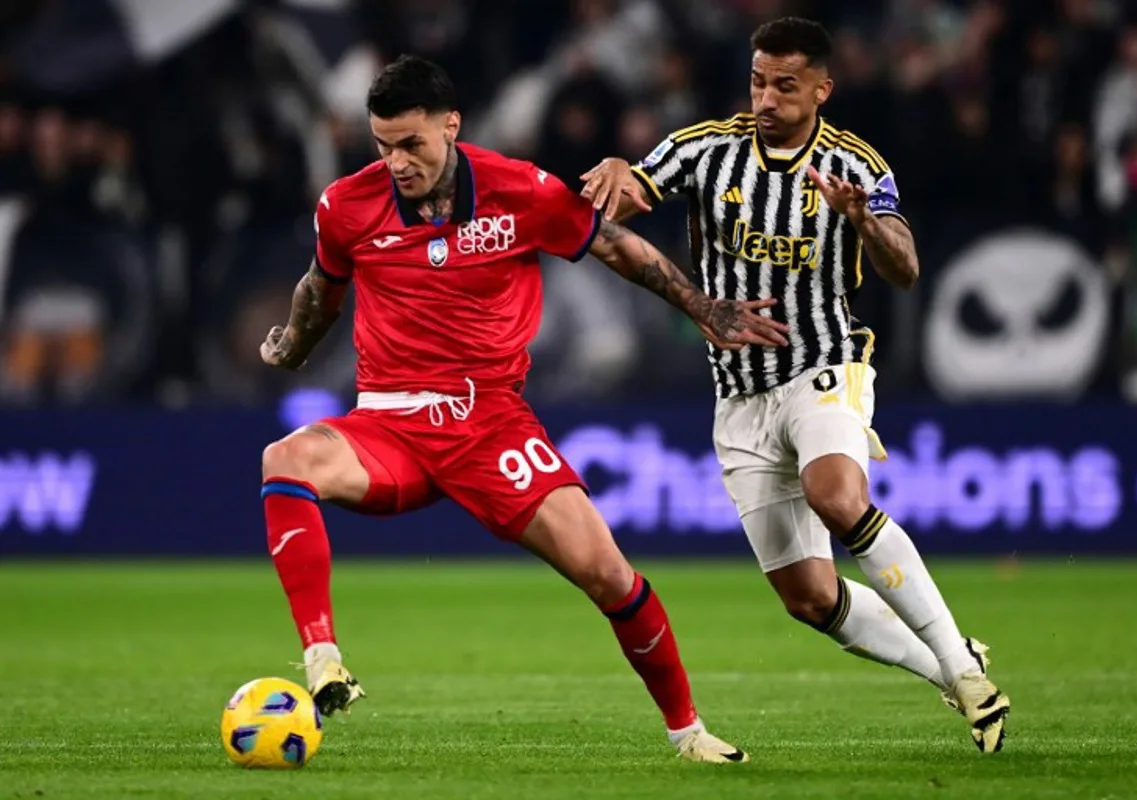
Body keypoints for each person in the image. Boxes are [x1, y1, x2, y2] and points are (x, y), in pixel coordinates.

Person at [258, 55, 789, 763]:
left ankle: (689, 732)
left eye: (411, 144)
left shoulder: (520, 190)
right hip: (387, 422)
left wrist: (700, 307)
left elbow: (614, 246)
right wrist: (293, 345)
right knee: (285, 458)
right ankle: (322, 655)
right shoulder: (346, 205)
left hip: (489, 425)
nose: (396, 163)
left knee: (608, 573)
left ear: (452, 125)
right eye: (382, 146)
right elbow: (320, 287)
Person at [580, 17, 1011, 753]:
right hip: (740, 397)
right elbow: (619, 207)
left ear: (821, 88)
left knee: (837, 496)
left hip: (824, 365)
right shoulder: (706, 148)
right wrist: (619, 172)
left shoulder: (855, 163)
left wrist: (862, 225)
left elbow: (904, 269)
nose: (768, 99)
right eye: (758, 82)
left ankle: (965, 678)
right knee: (810, 598)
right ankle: (952, 665)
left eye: (785, 85)